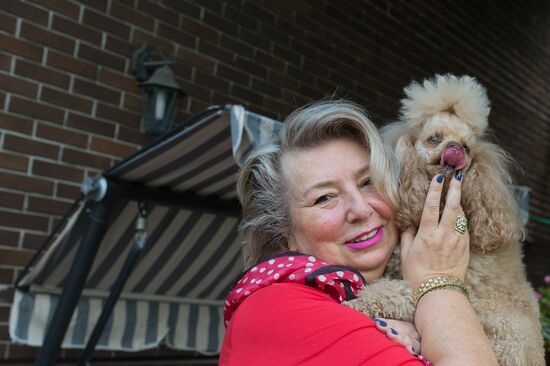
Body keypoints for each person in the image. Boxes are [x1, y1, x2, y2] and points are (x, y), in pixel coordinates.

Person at [219, 100, 498, 365]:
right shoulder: (276, 310)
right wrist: (439, 280)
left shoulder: (355, 299)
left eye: (368, 181)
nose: (361, 209)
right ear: (282, 230)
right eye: (324, 197)